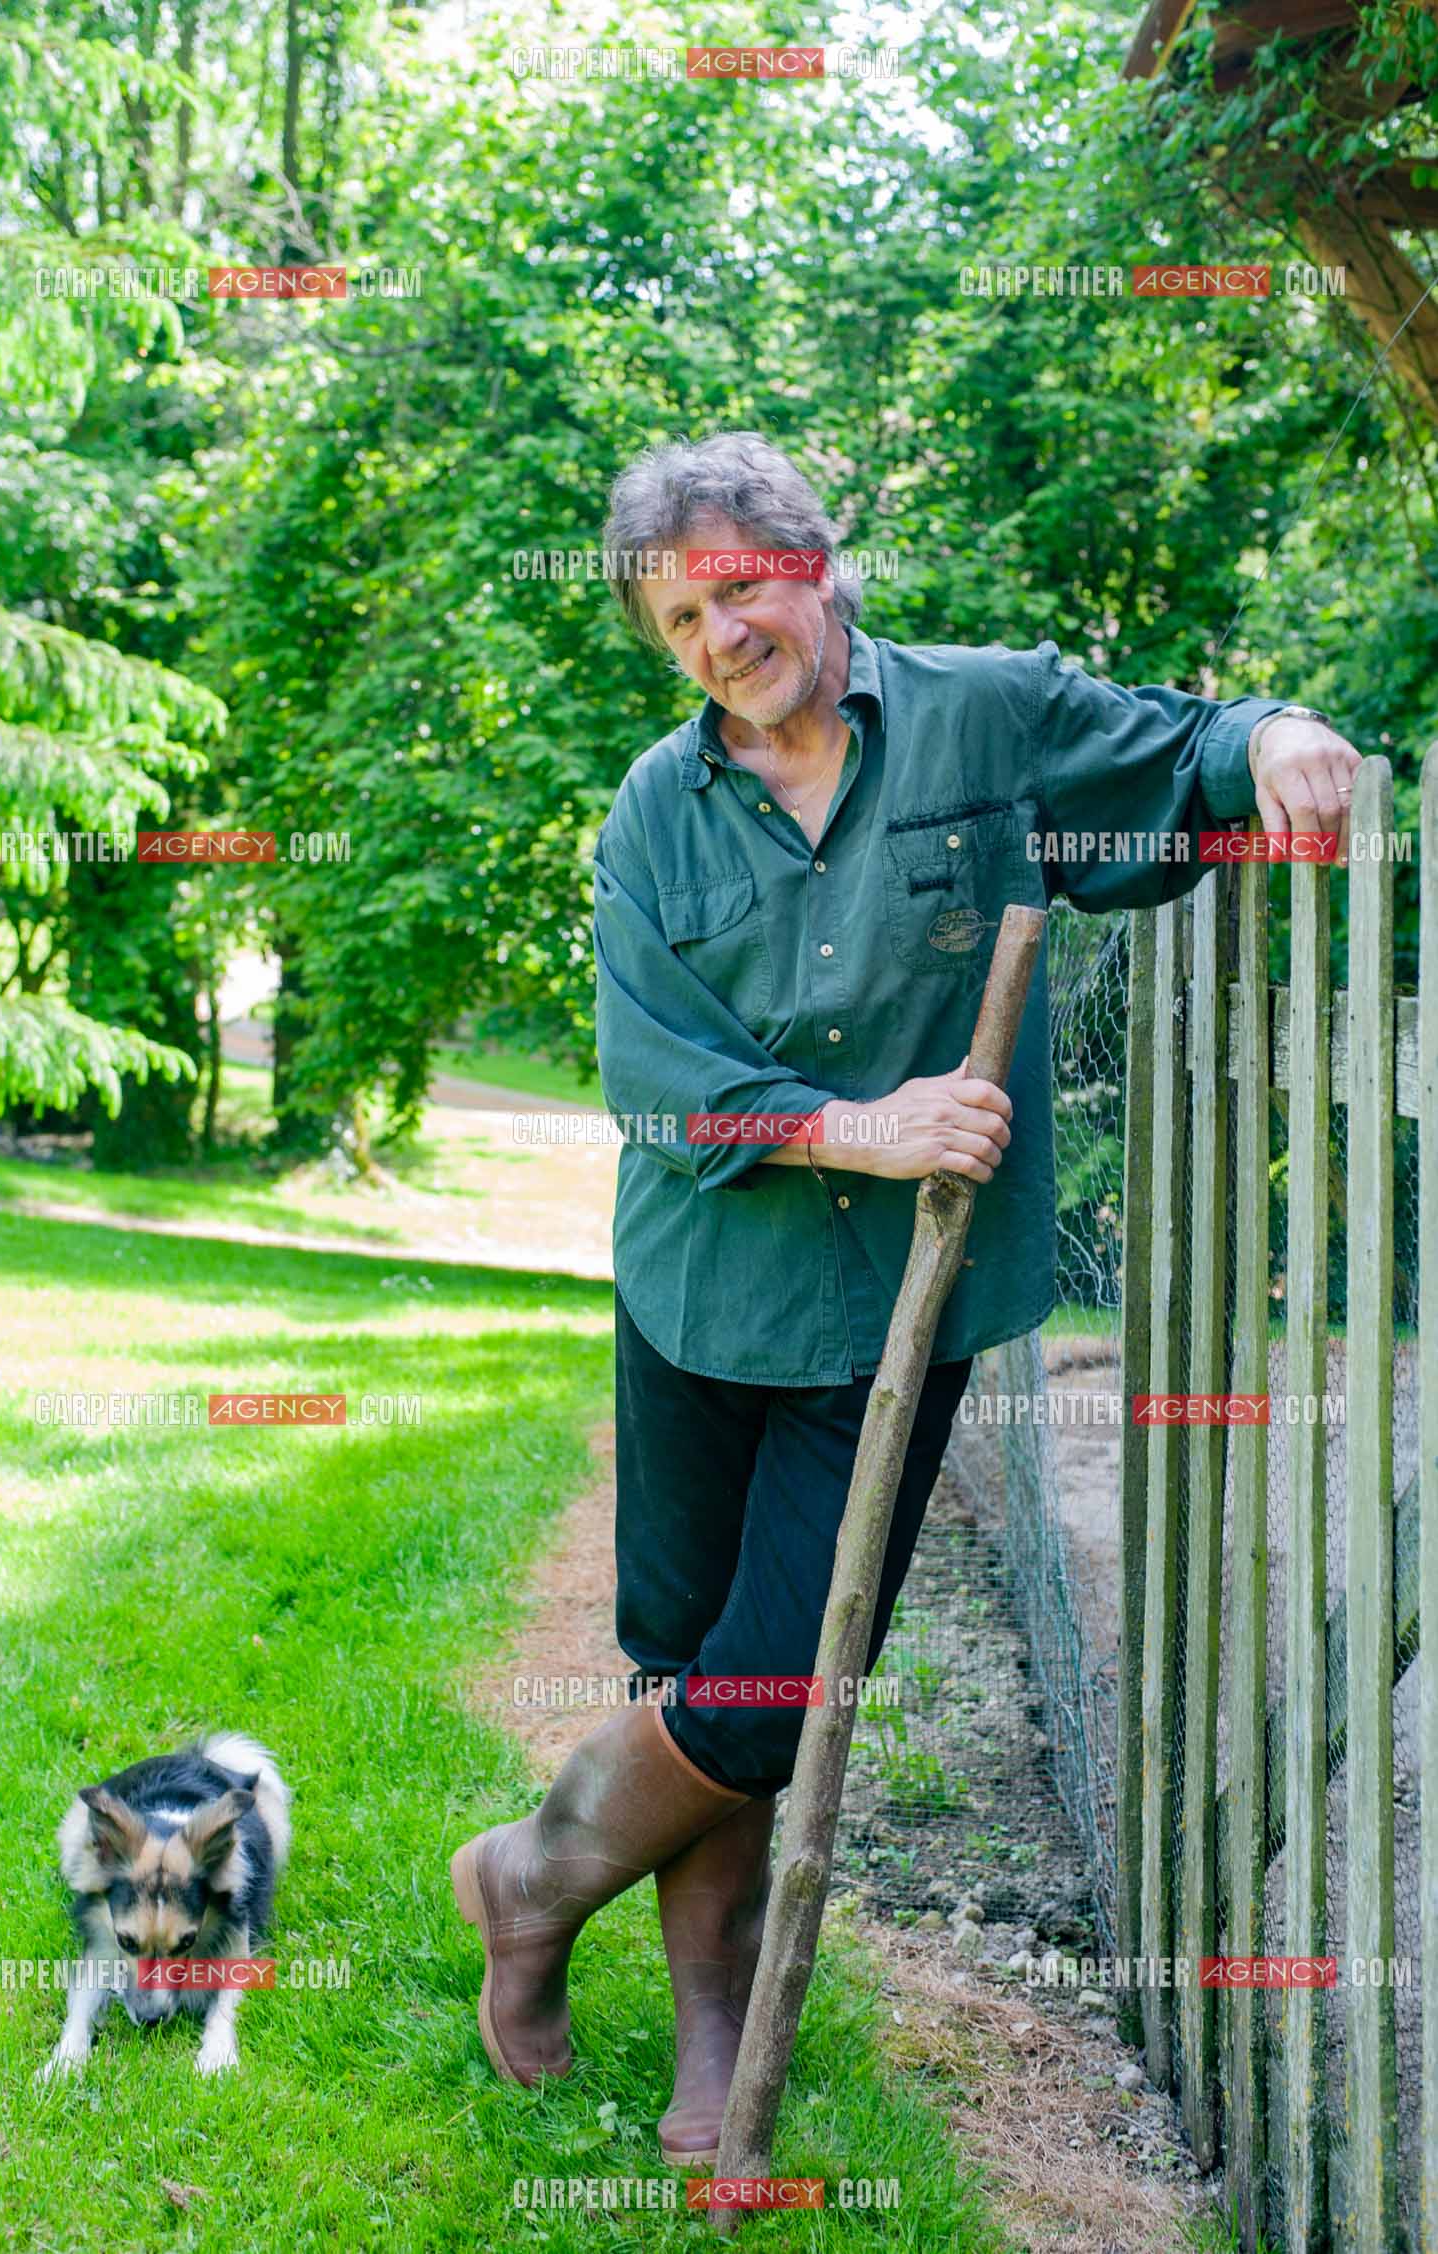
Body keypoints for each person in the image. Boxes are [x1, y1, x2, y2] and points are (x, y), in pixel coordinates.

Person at [451, 429, 1363, 2169]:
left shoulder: (985, 719)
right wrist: (856, 1125)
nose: (720, 636)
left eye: (739, 587)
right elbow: (656, 1073)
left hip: (890, 1311)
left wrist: (1276, 736)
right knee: (695, 1664)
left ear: (814, 557)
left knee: (778, 1684)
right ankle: (712, 2020)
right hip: (699, 1282)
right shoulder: (657, 810)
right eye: (678, 620)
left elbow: (1180, 745)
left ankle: (533, 1872)